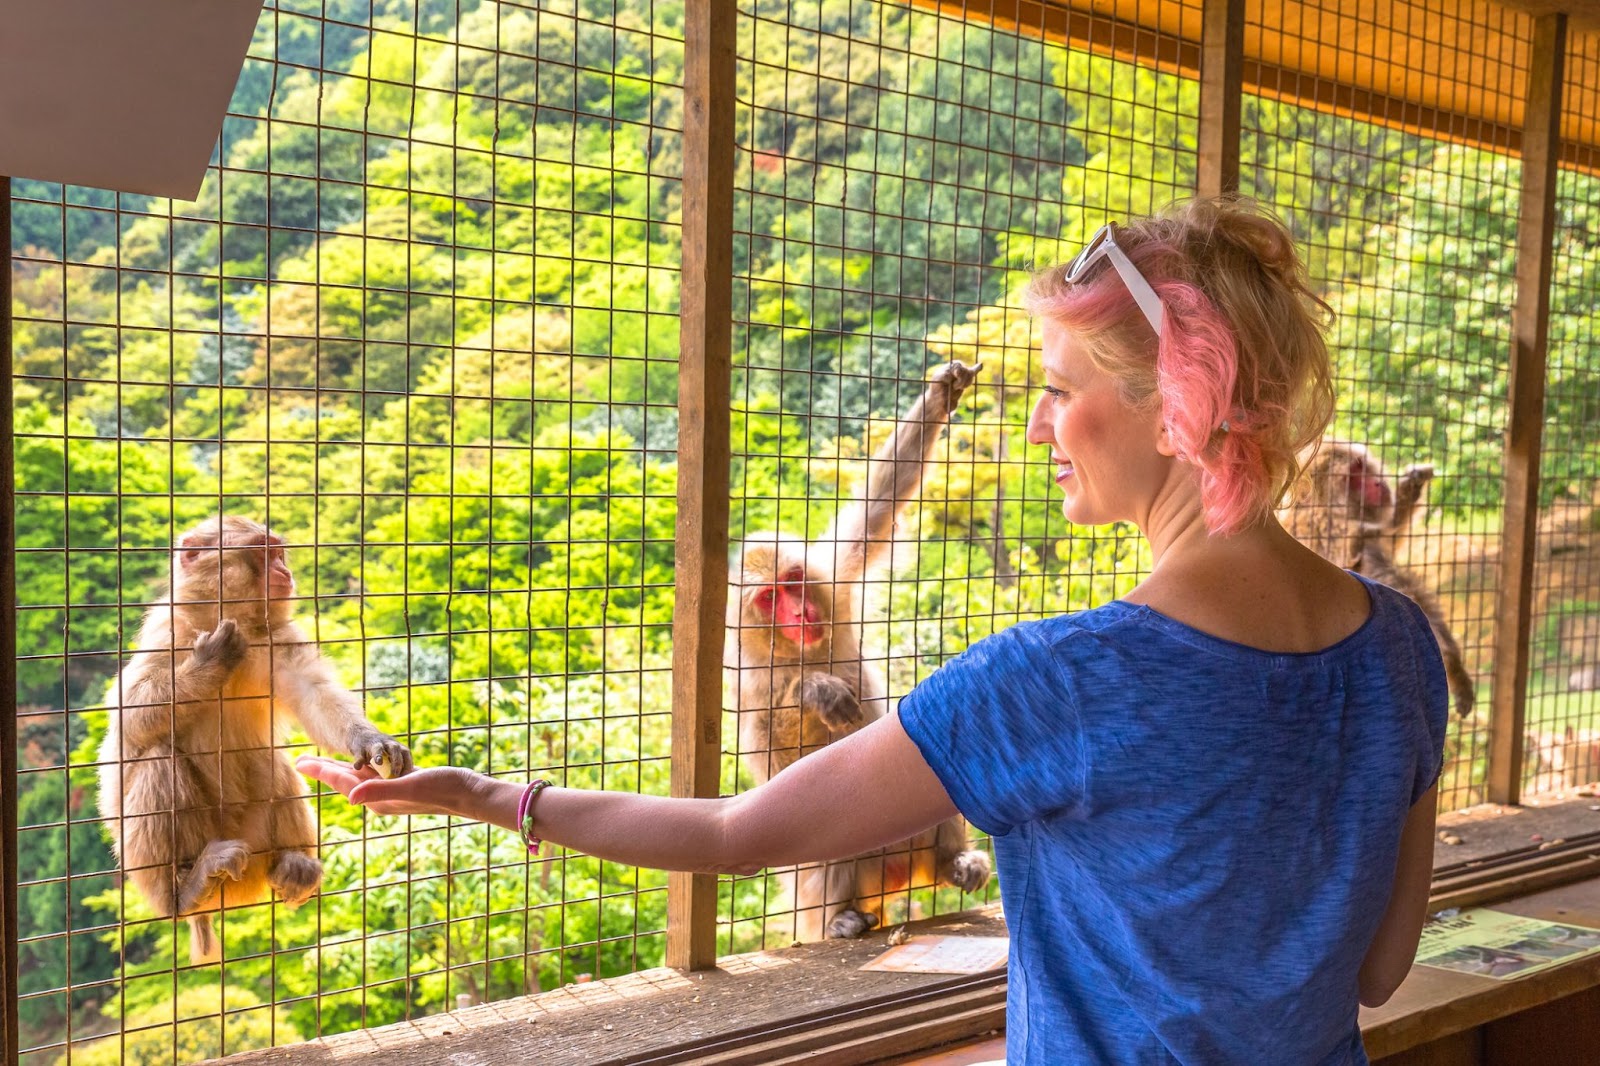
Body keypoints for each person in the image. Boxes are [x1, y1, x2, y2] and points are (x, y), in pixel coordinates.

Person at [299, 196, 1448, 1064]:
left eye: (1059, 387)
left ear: (1173, 404)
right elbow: (1383, 967)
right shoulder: (1399, 647)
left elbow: (738, 832)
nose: (1041, 425)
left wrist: (497, 797)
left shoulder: (1058, 679)